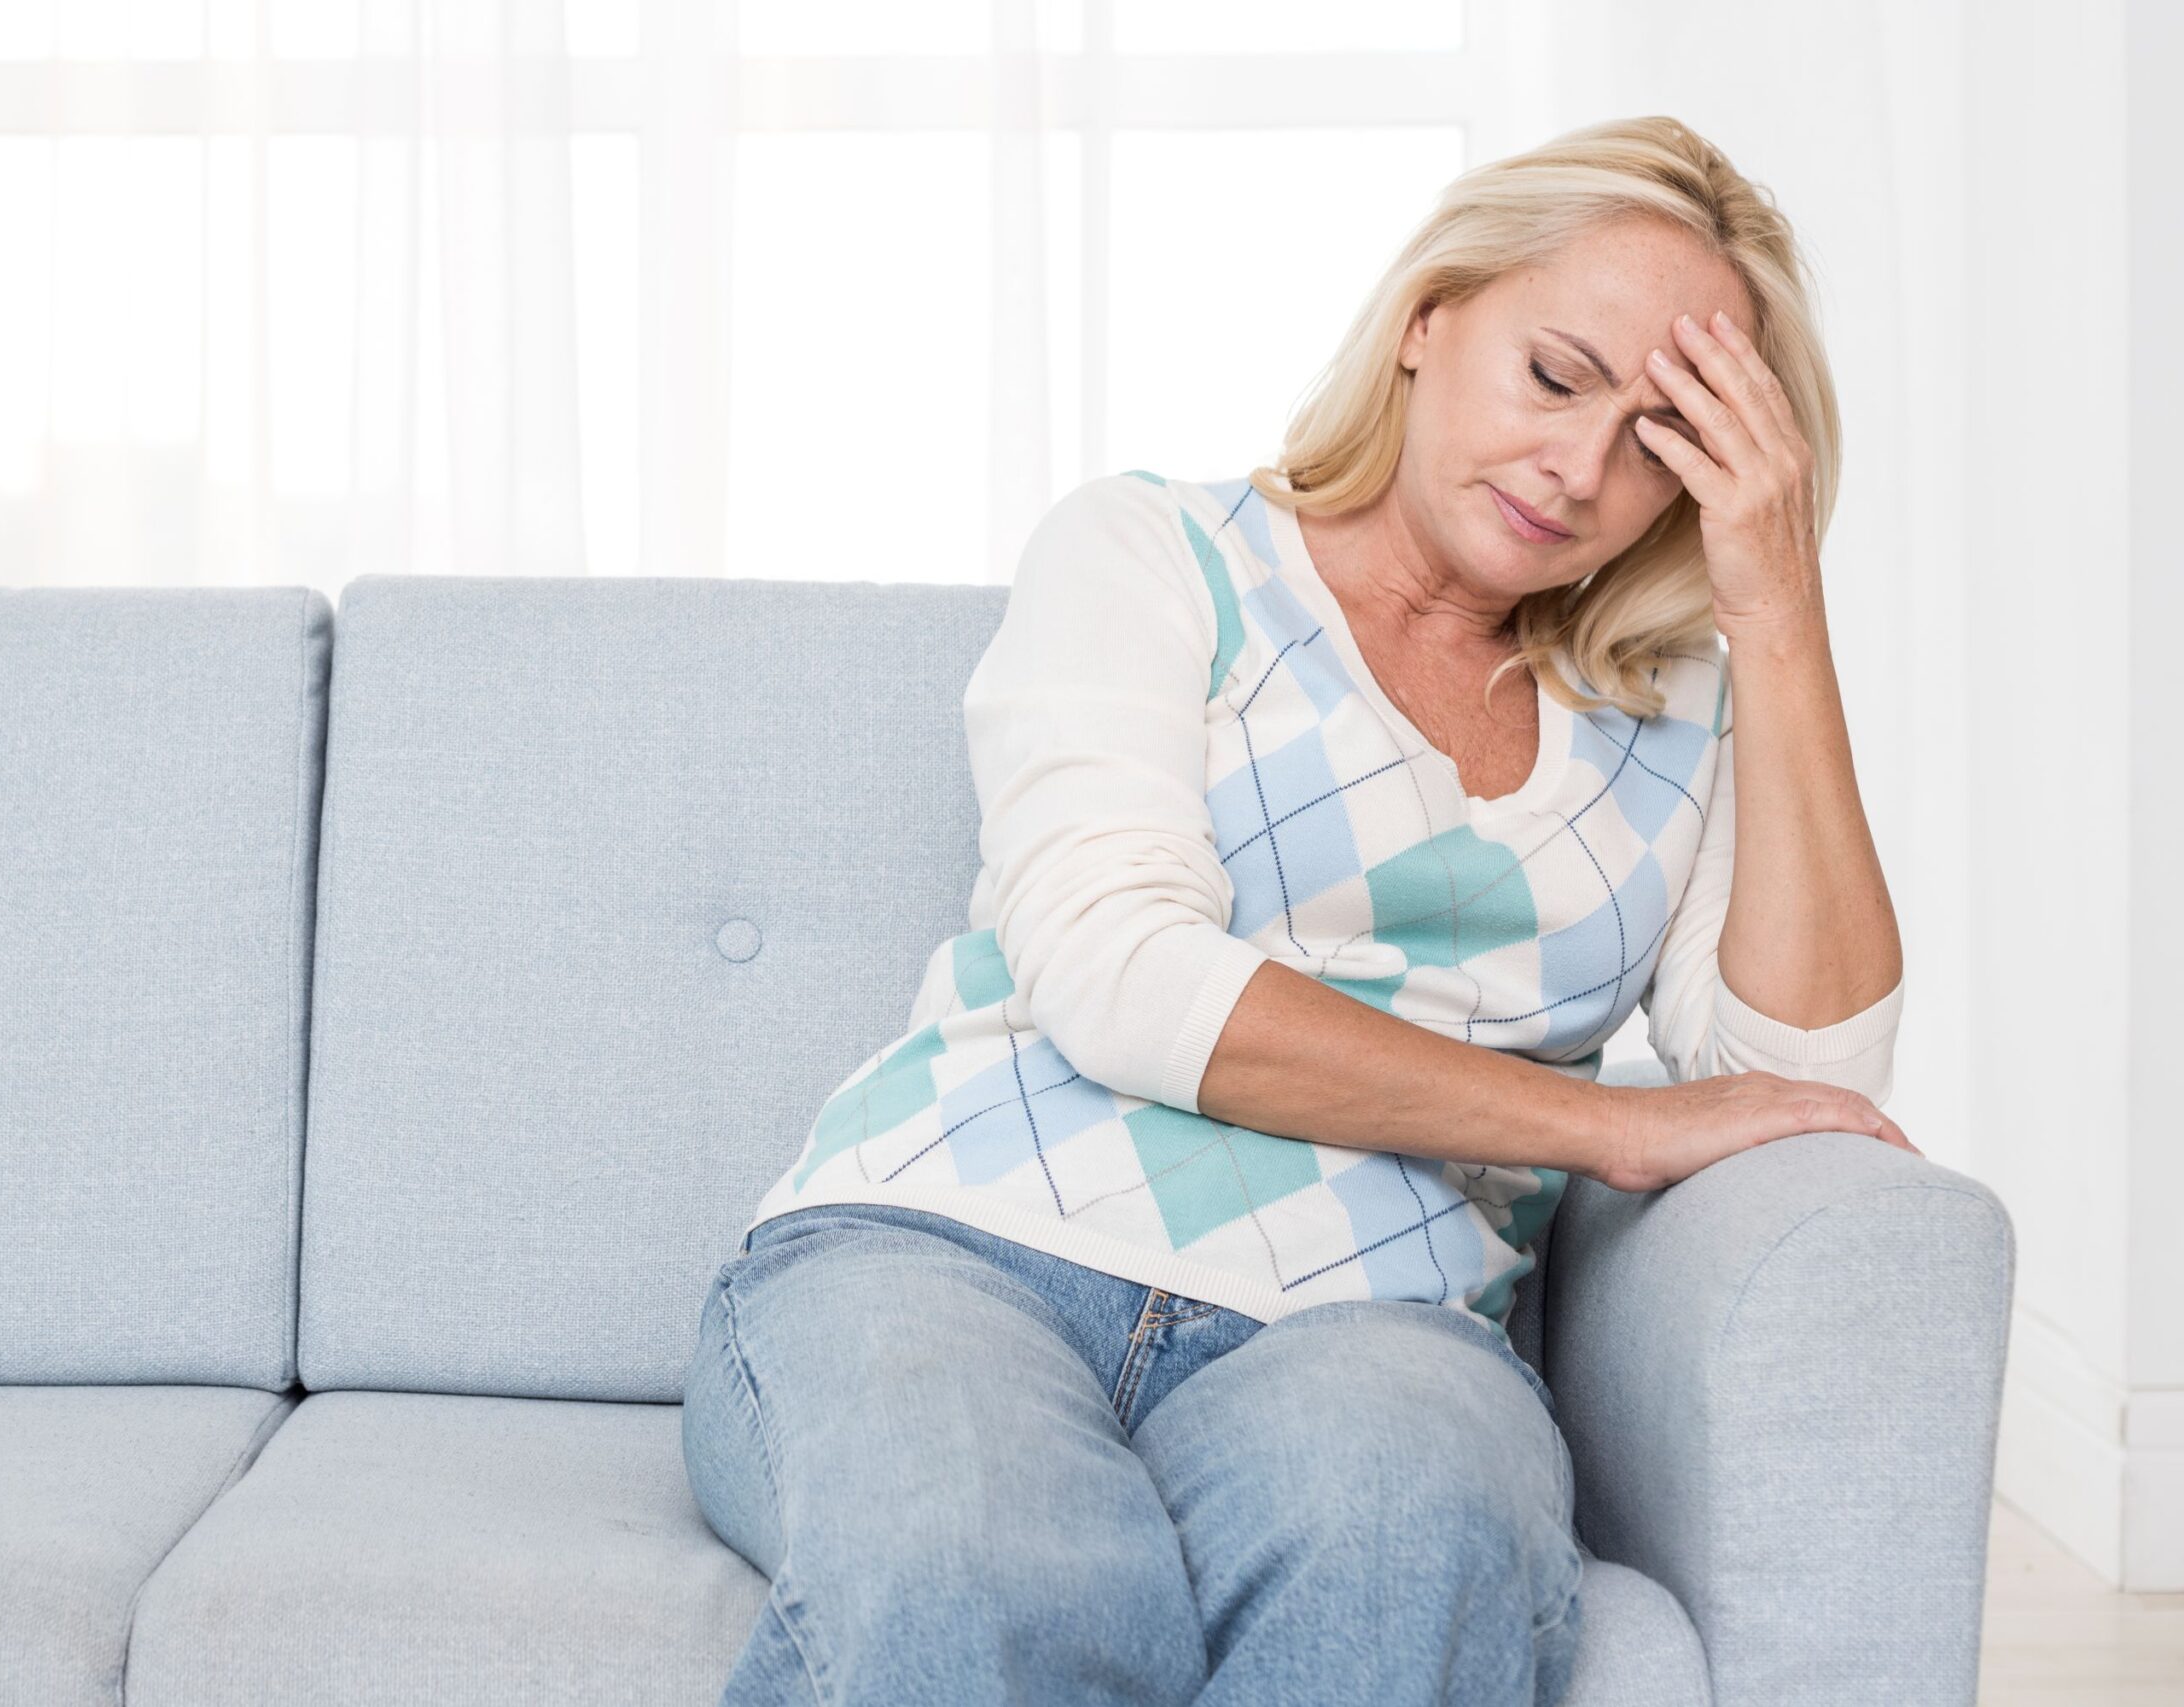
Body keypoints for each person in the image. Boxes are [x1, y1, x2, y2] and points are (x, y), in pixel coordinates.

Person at [680, 113, 1916, 1706]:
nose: (1579, 469)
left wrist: (1777, 607)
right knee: (983, 1573)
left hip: (1372, 1329)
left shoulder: (1680, 715)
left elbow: (1807, 1067)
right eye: (1555, 377)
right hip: (952, 1245)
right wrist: (1598, 1122)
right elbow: (1123, 972)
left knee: (1407, 1544)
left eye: (1662, 440)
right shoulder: (1154, 552)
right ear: (1427, 323)